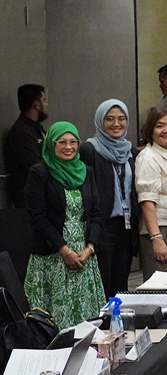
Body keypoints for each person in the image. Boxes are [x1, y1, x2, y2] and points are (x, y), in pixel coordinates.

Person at [22, 122, 106, 329]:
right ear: (51, 144)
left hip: (84, 256)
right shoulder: (39, 172)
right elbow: (37, 217)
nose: (68, 147)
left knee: (87, 323)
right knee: (54, 322)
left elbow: (96, 212)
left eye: (73, 142)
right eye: (62, 142)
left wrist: (90, 247)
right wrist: (64, 250)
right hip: (53, 255)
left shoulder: (86, 171)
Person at [79, 99, 139, 297]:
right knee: (102, 284)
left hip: (126, 227)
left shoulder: (131, 151)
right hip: (101, 228)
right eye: (110, 119)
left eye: (122, 118)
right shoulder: (89, 150)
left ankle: (118, 324)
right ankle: (103, 325)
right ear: (100, 121)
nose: (116, 124)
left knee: (122, 284)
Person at [135, 105, 167, 280]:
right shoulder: (147, 157)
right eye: (159, 126)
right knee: (158, 285)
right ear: (151, 129)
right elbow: (147, 201)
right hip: (159, 228)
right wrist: (156, 238)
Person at [3, 84, 48, 208]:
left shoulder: (36, 129)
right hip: (30, 203)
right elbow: (36, 166)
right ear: (36, 104)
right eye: (44, 101)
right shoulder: (21, 133)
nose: (46, 105)